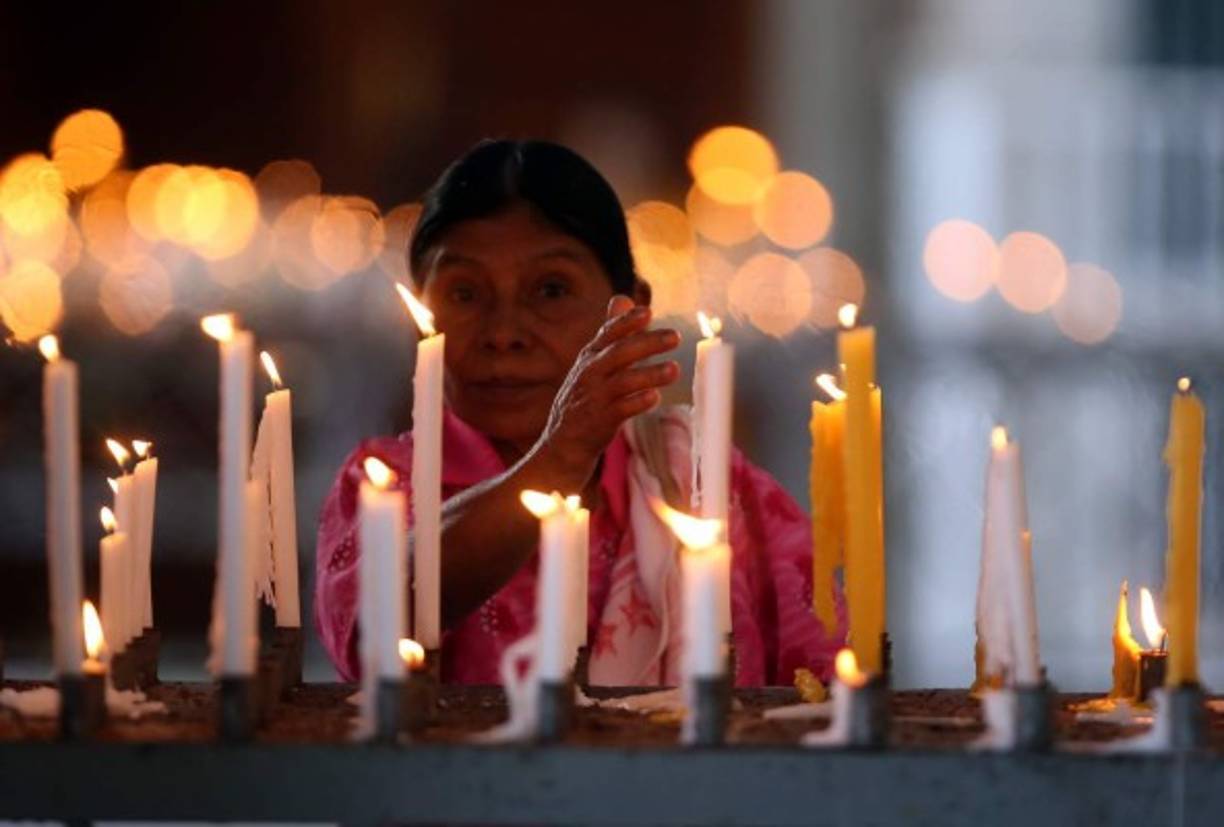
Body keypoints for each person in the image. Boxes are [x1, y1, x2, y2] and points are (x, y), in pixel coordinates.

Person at [316, 139, 844, 686]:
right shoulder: (382, 485)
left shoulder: (704, 483)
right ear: (418, 316)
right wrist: (558, 459)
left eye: (551, 290)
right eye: (465, 294)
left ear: (631, 310)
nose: (503, 333)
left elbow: (825, 681)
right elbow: (369, 631)